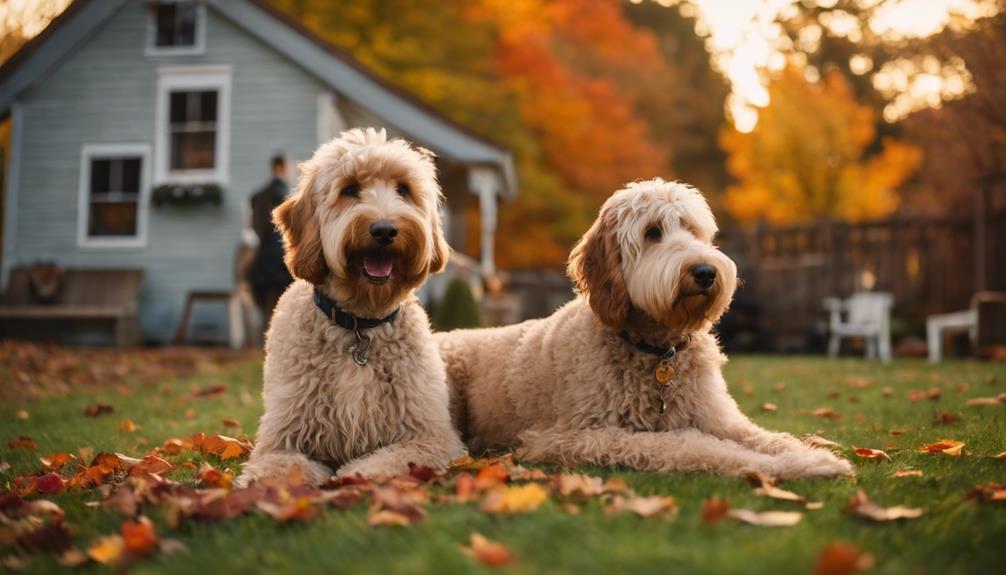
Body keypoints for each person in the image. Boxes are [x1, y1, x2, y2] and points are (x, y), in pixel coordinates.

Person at [247, 154, 294, 328]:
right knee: (283, 304)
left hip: (261, 257)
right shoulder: (281, 191)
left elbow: (254, 225)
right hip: (280, 256)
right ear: (283, 167)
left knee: (266, 304)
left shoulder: (257, 195)